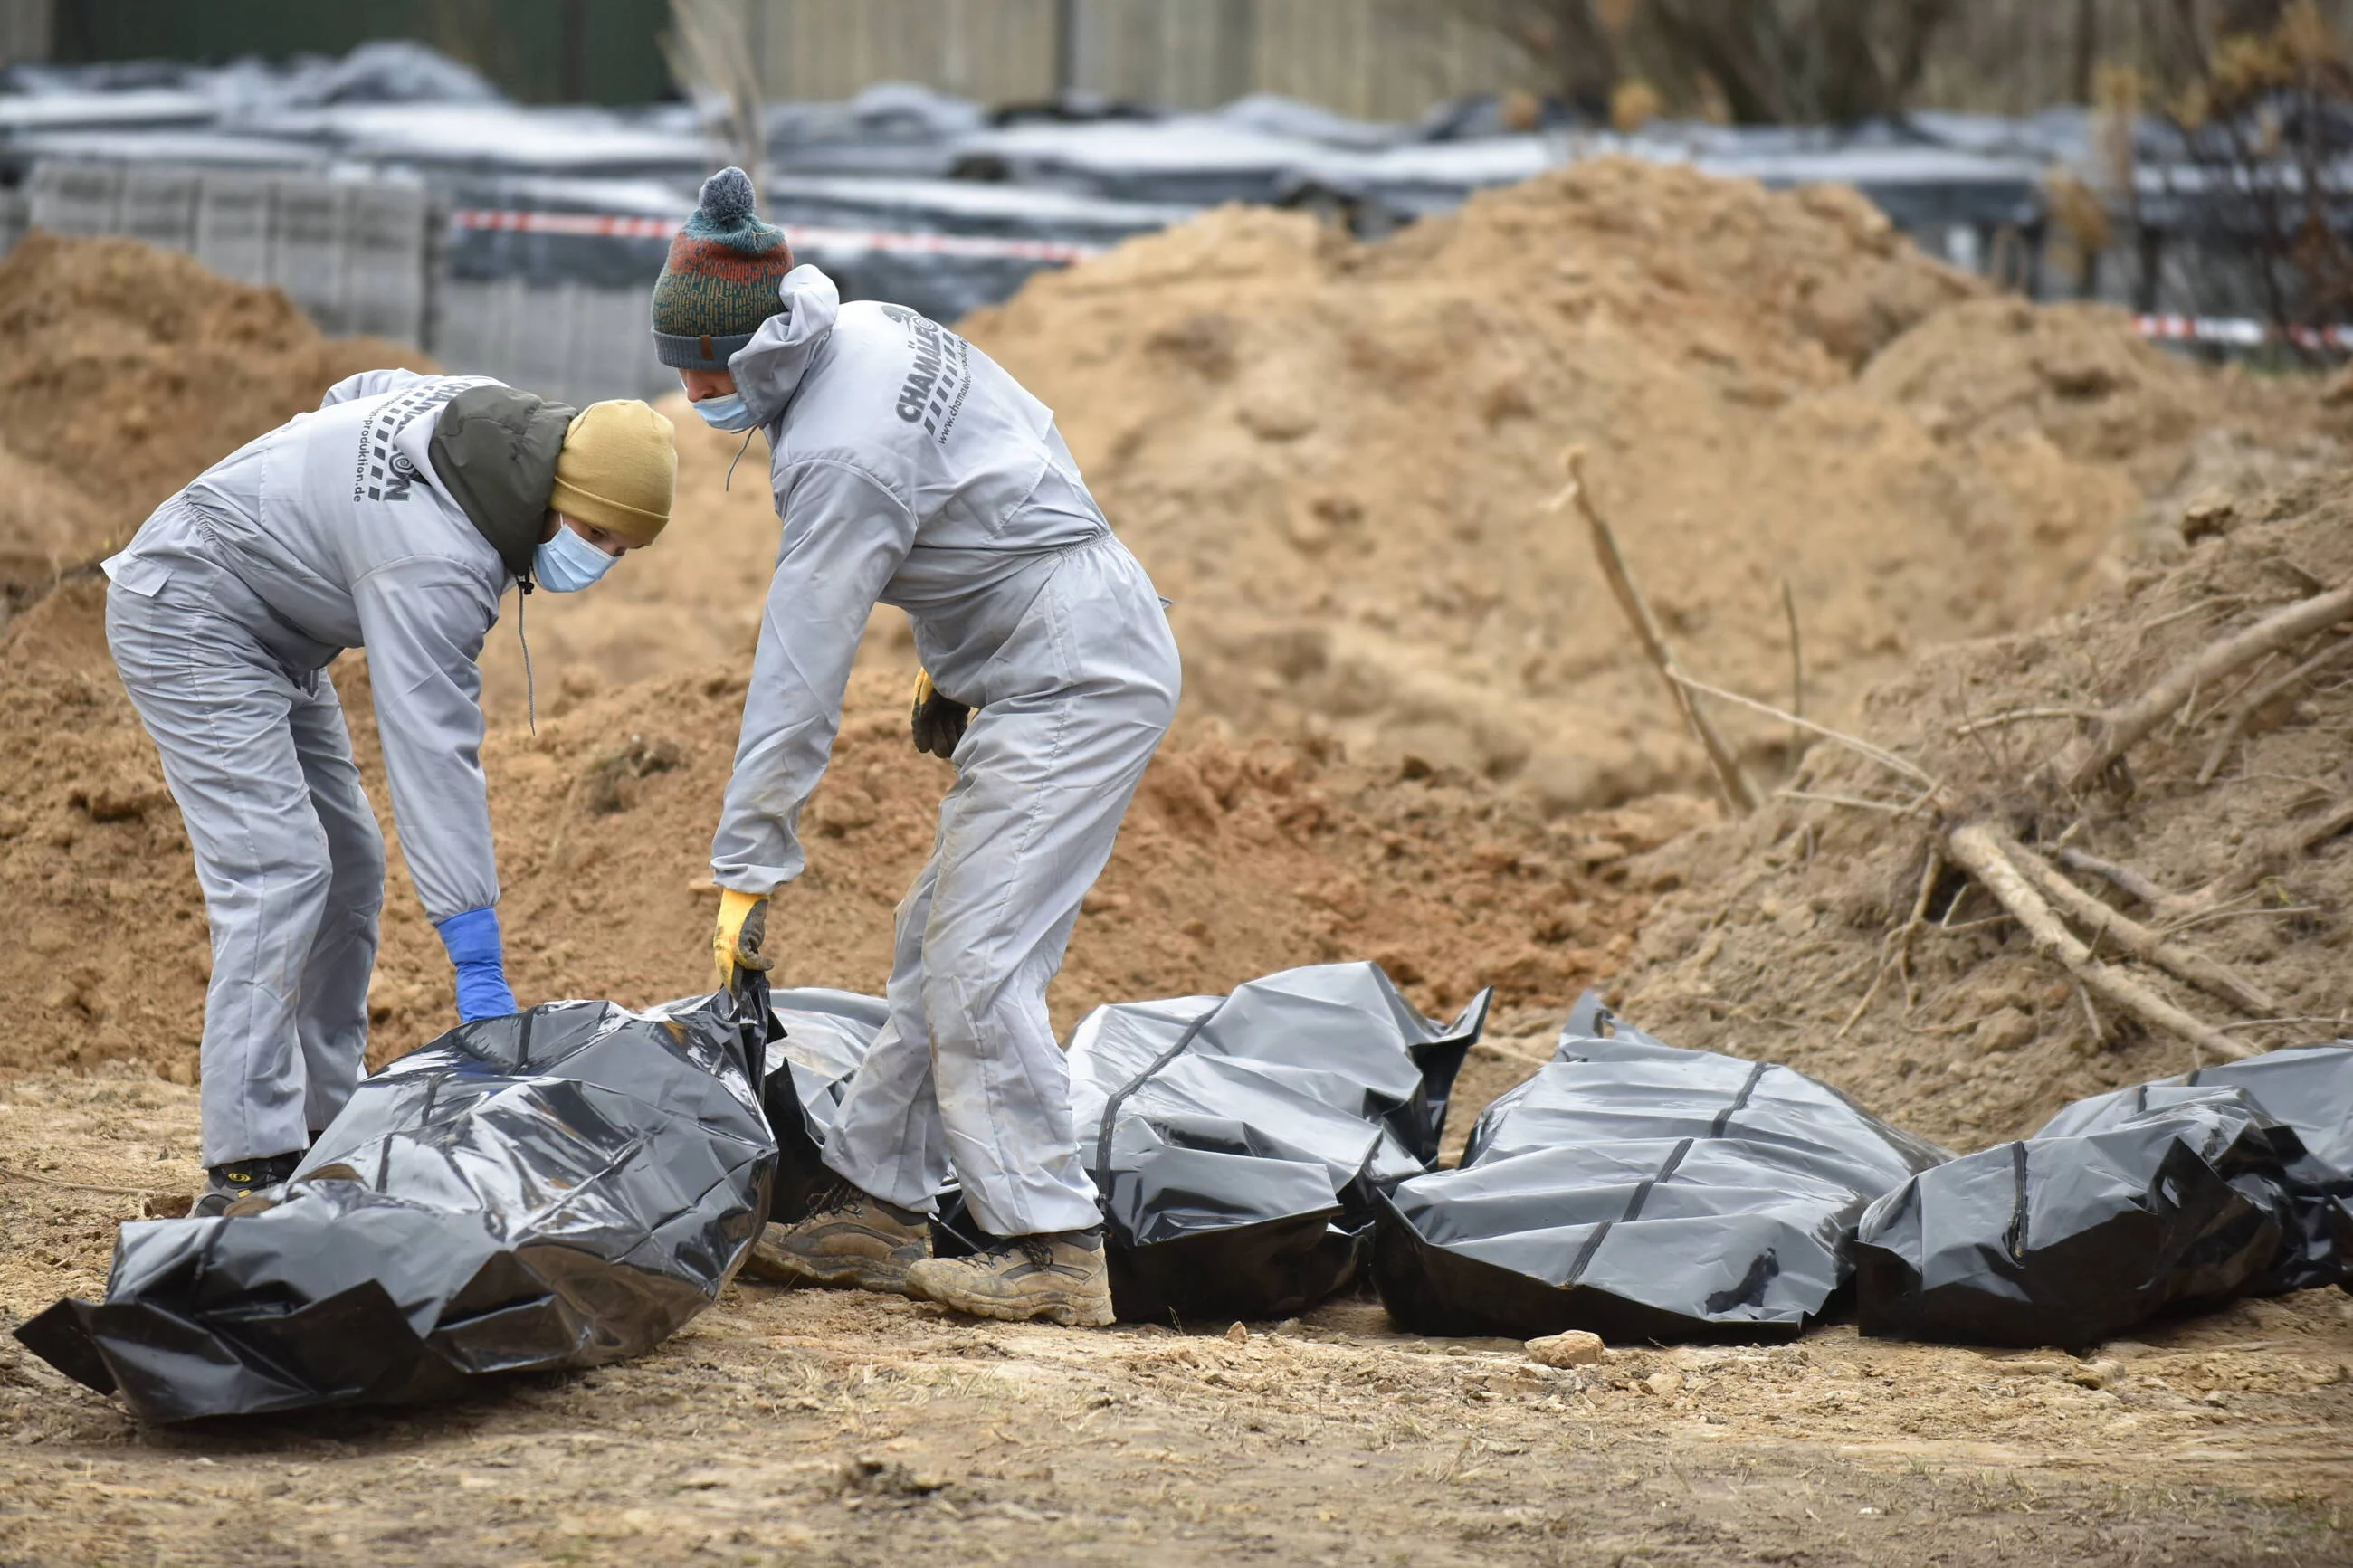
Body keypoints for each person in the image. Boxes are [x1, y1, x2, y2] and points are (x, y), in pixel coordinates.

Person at [655, 168, 1179, 1327]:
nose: (691, 396)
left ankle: (1051, 1244)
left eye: (702, 374)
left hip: (1072, 674)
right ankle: (875, 1206)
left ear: (753, 350)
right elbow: (1016, 450)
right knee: (930, 938)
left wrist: (748, 864)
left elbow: (801, 668)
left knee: (976, 959)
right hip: (1066, 631)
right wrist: (952, 657)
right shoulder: (874, 327)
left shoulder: (832, 455)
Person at [103, 370, 676, 1216]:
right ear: (556, 487)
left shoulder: (481, 415)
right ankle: (250, 1162)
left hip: (283, 632)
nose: (598, 559)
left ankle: (325, 1123)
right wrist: (476, 958)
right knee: (278, 869)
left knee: (352, 864)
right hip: (191, 609)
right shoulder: (437, 561)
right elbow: (433, 752)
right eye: (594, 532)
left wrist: (321, 524)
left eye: (620, 550)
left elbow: (359, 392)